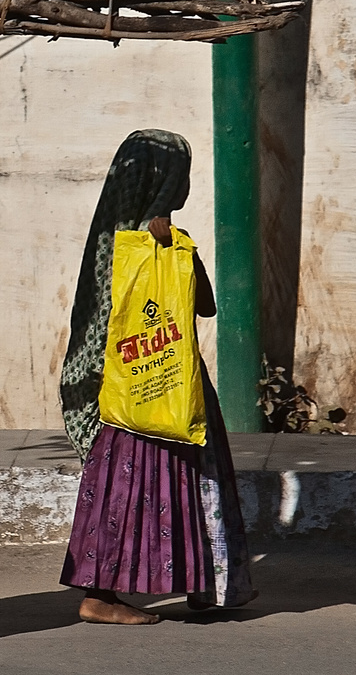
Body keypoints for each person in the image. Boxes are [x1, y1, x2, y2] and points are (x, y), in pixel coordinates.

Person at [57, 130, 255, 624]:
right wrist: (177, 254)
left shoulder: (108, 241)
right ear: (167, 183)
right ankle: (104, 594)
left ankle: (189, 583)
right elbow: (204, 306)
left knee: (135, 486)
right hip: (158, 386)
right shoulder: (147, 246)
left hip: (121, 389)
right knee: (170, 481)